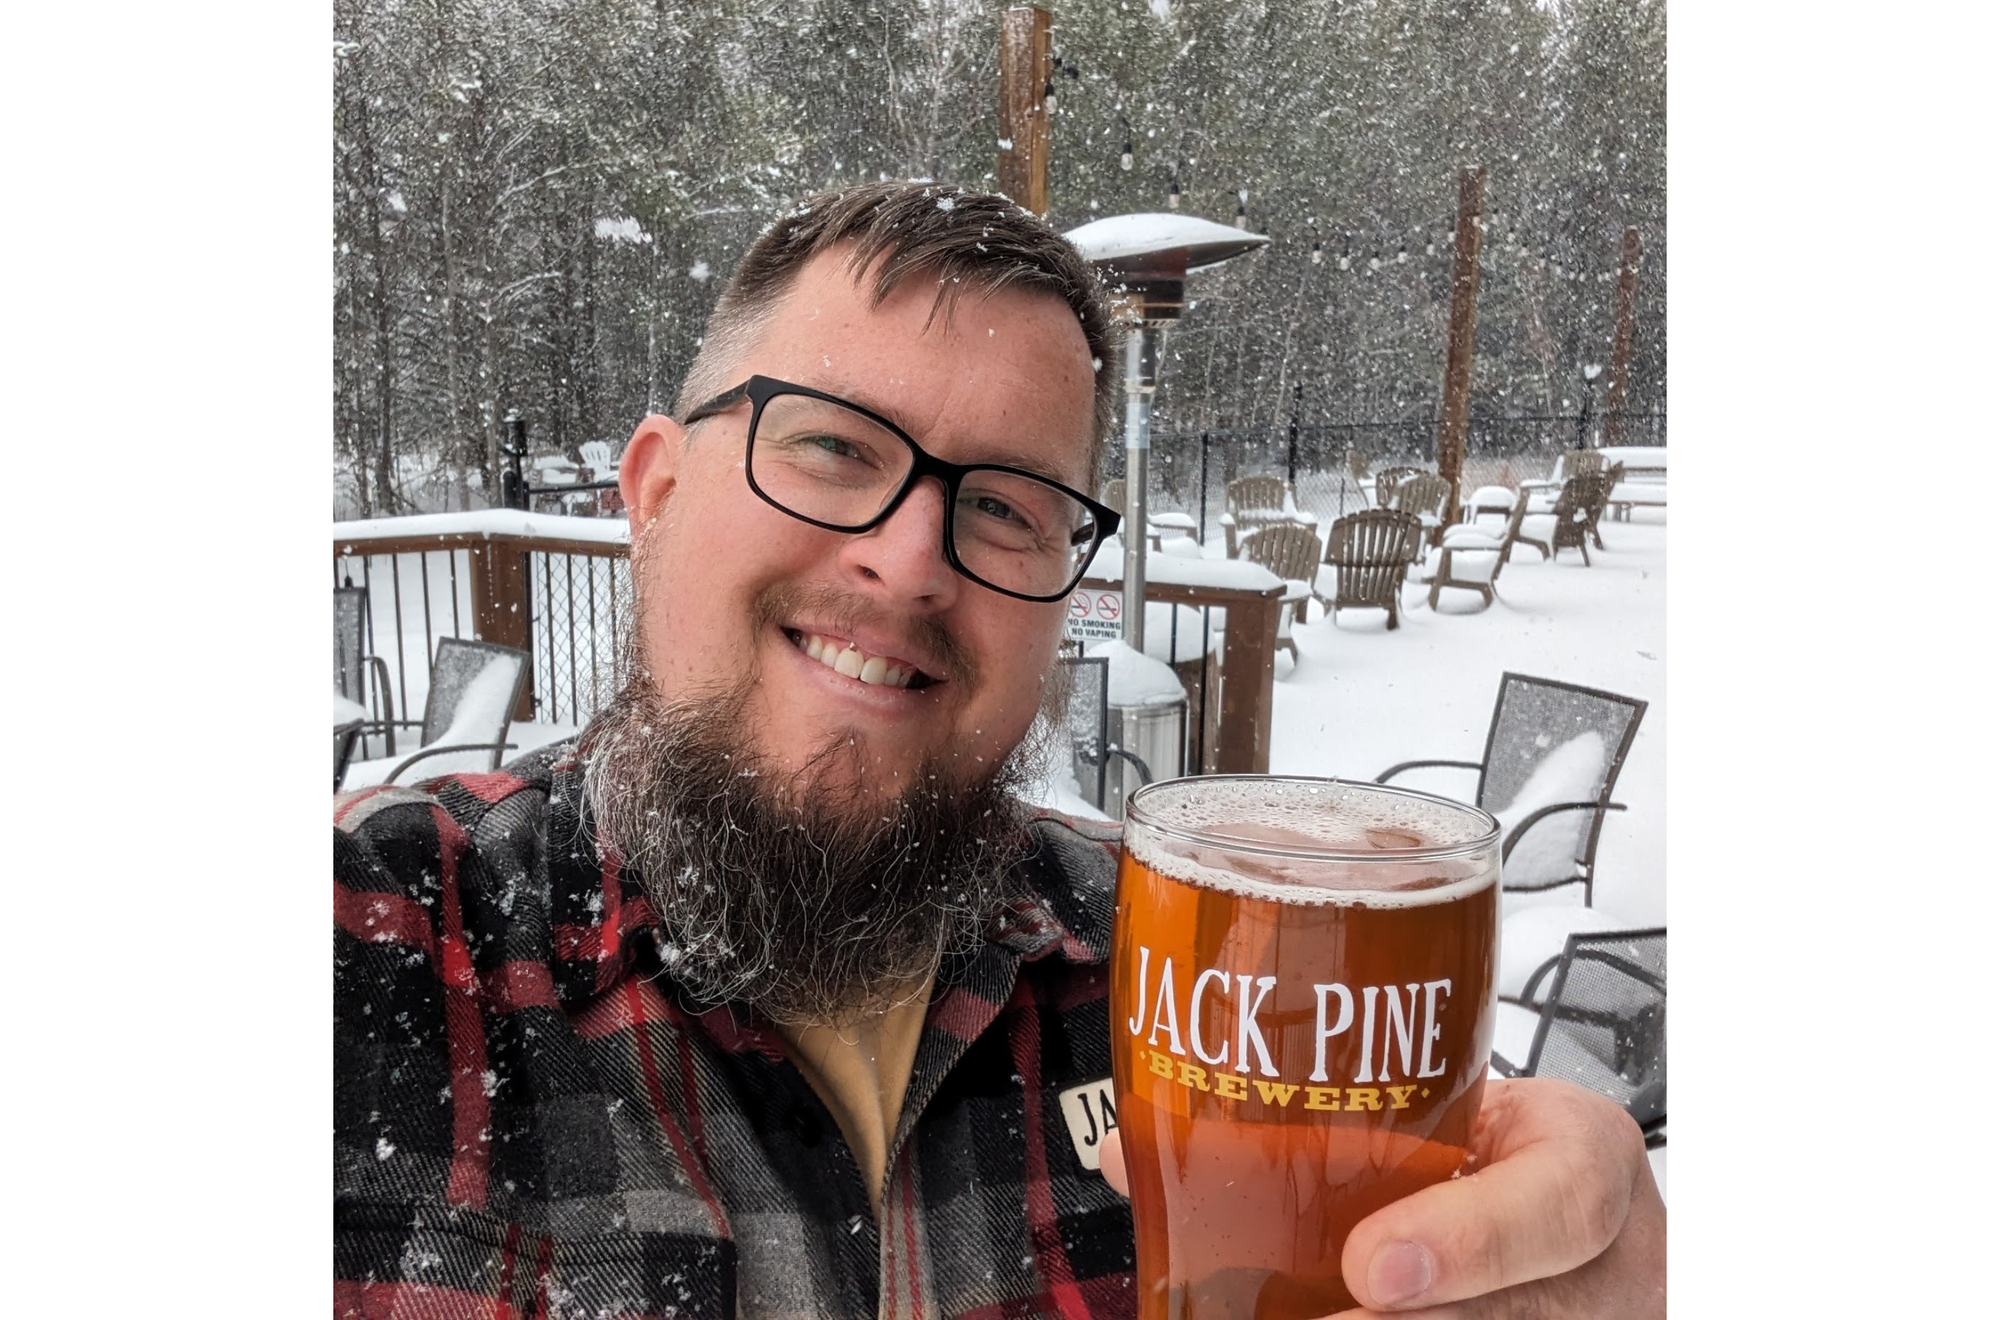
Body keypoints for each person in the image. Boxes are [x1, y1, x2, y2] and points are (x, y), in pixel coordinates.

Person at [335, 181, 1665, 1318]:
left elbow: (1446, 1219)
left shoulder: (1182, 970)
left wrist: (1543, 1248)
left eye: (1010, 509)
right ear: (656, 494)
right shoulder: (376, 944)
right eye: (832, 446)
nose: (910, 558)